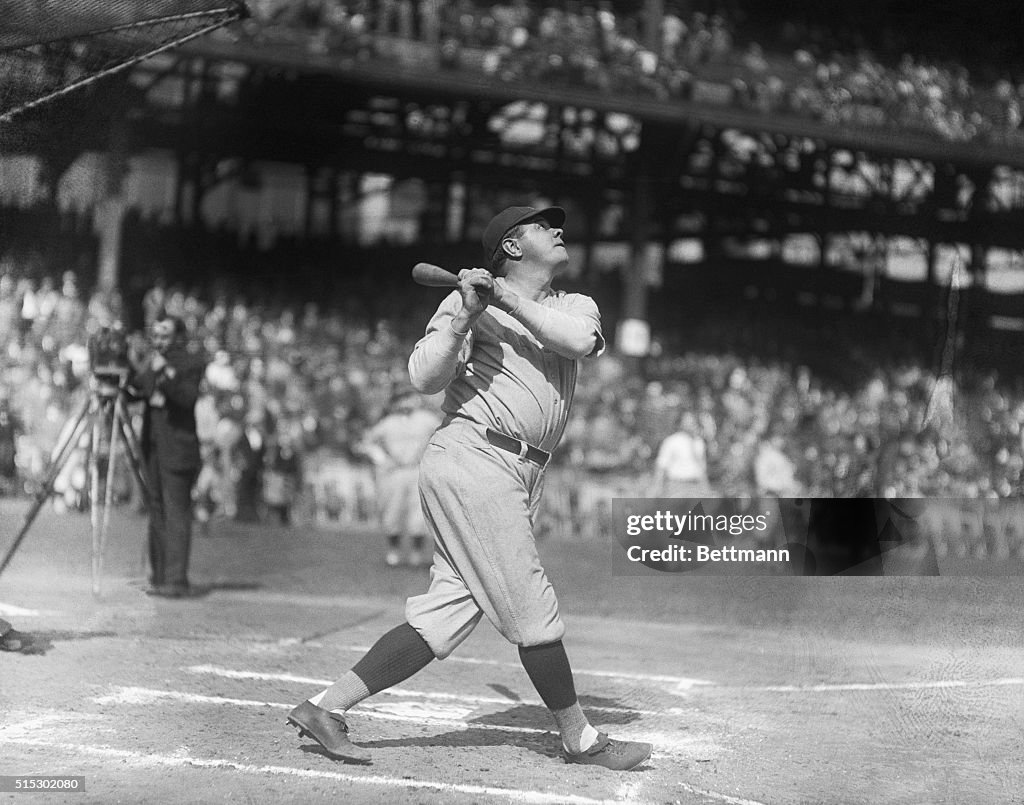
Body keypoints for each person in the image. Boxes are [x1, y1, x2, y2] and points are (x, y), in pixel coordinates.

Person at [286, 205, 653, 771]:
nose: (558, 231)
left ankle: (324, 707)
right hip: (475, 456)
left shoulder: (574, 305)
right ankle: (580, 738)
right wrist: (464, 317)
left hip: (515, 470)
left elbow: (576, 342)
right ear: (510, 246)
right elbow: (424, 377)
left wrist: (503, 301)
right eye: (542, 226)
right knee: (531, 606)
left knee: (446, 612)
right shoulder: (464, 304)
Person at [129, 313, 206, 598]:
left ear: (177, 338)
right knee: (157, 510)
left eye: (165, 336)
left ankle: (176, 579)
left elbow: (186, 398)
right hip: (153, 448)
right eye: (156, 336)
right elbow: (137, 391)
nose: (159, 341)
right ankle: (158, 575)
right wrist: (131, 367)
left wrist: (165, 374)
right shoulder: (153, 360)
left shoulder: (190, 362)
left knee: (176, 513)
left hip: (178, 449)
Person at [360, 386, 442, 566]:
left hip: (419, 470)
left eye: (409, 398)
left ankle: (416, 553)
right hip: (394, 473)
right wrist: (383, 460)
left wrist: (431, 456)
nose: (406, 403)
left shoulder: (427, 419)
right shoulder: (388, 423)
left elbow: (444, 437)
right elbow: (368, 443)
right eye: (402, 399)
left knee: (419, 513)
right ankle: (394, 551)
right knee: (392, 510)